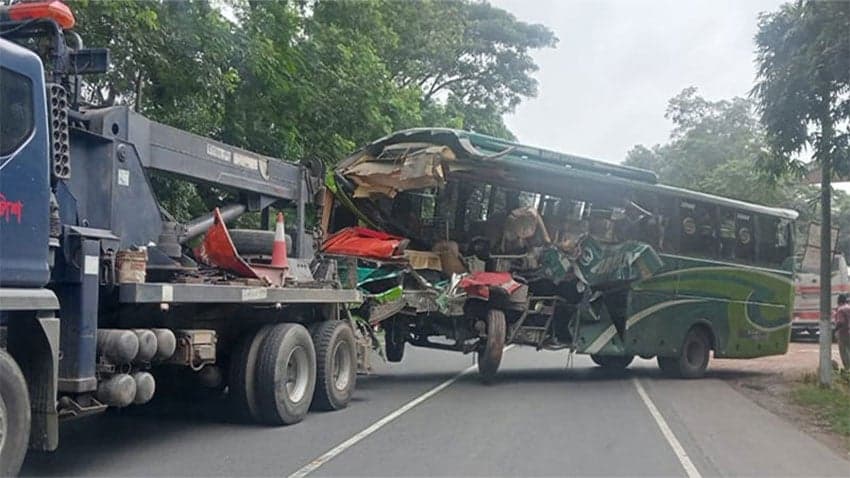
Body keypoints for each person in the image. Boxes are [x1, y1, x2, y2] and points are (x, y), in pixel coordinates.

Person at [835, 293, 850, 369]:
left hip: (844, 333)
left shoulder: (840, 309)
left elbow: (841, 322)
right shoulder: (849, 307)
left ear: (838, 301)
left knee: (844, 352)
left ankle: (848, 369)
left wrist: (835, 329)